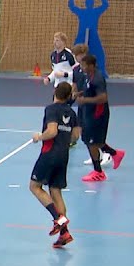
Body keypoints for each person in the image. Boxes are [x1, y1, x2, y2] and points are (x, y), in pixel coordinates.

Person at [29, 83, 78, 248]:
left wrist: (39, 137)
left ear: (55, 92)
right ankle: (64, 234)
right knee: (55, 191)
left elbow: (52, 131)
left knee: (34, 186)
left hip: (49, 154)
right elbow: (75, 136)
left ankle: (58, 219)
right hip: (64, 155)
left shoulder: (51, 109)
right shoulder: (72, 113)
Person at [73, 53, 125, 182]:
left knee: (92, 142)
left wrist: (85, 100)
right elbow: (89, 90)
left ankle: (98, 172)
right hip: (89, 113)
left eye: (84, 65)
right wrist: (79, 93)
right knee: (90, 139)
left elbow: (103, 97)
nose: (82, 67)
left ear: (91, 66)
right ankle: (115, 154)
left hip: (98, 115)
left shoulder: (97, 78)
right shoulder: (88, 76)